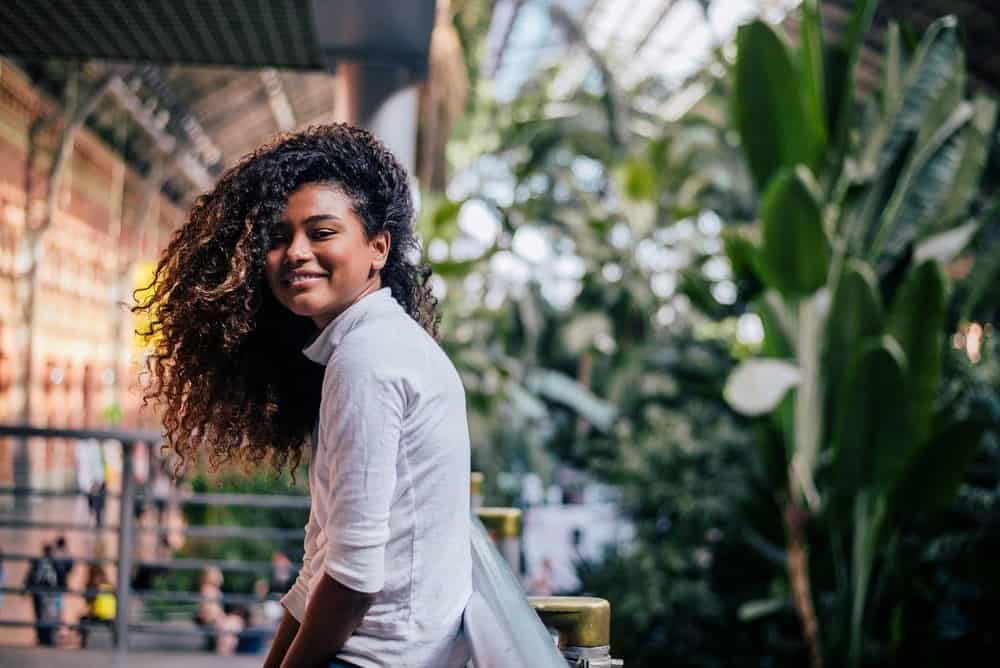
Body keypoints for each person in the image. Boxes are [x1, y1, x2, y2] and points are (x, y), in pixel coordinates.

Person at [134, 124, 472, 668]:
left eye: (321, 232)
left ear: (377, 247)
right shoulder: (366, 346)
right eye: (277, 236)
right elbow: (325, 553)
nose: (295, 252)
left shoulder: (368, 360)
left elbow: (355, 580)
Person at [24, 544, 59, 646]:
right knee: (47, 615)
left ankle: (43, 637)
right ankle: (44, 637)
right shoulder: (52, 562)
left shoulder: (40, 561)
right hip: (47, 593)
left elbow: (30, 575)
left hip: (40, 593)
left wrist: (26, 589)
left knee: (41, 615)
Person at [78, 564, 116, 648]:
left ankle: (83, 643)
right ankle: (116, 643)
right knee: (84, 619)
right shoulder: (109, 586)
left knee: (83, 620)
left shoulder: (94, 588)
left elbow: (88, 602)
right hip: (109, 617)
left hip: (101, 616)